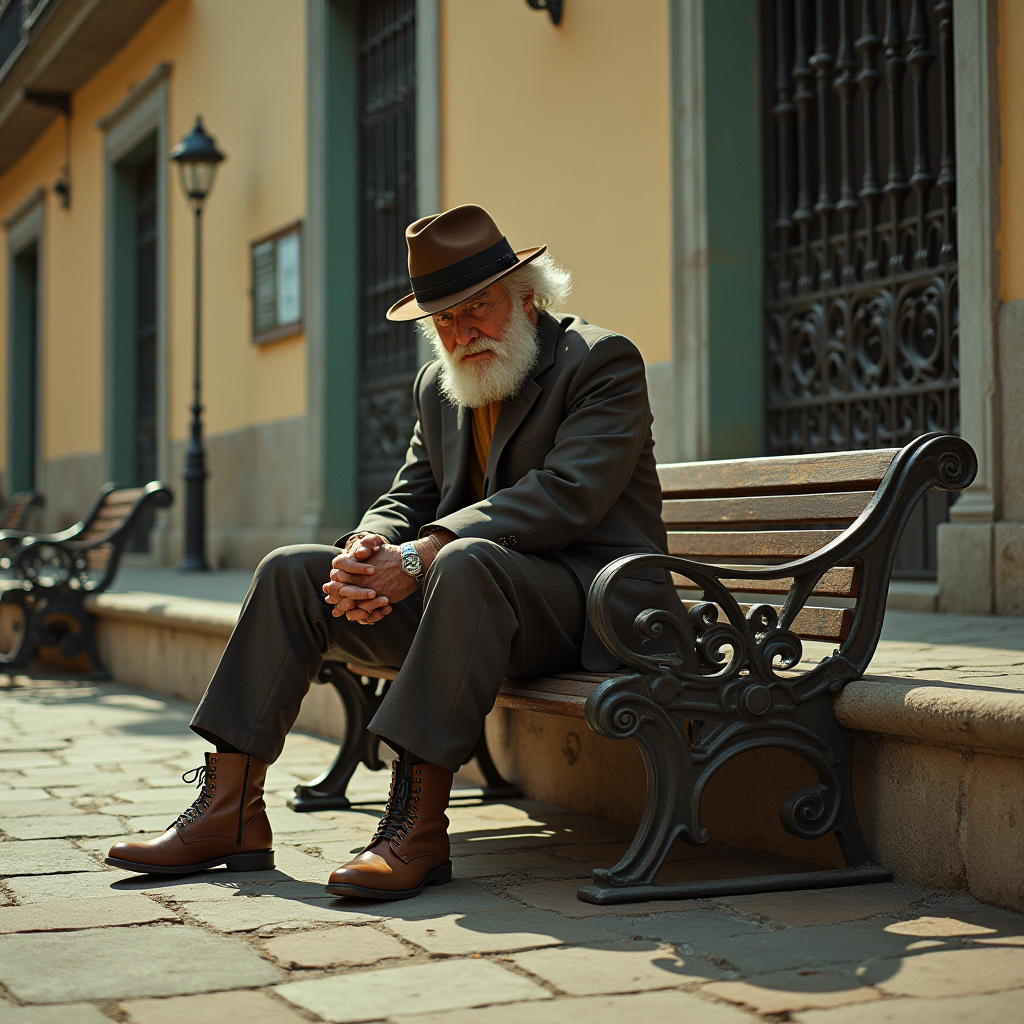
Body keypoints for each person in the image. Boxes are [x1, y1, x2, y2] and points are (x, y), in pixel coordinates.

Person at [106, 204, 675, 900]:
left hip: (593, 609)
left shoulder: (600, 361)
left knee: (465, 560)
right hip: (480, 602)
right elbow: (411, 492)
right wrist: (366, 548)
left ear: (528, 296)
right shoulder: (441, 386)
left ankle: (416, 825)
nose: (463, 333)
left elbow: (567, 494)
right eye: (445, 319)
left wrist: (420, 555)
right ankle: (229, 809)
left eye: (479, 309)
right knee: (292, 570)